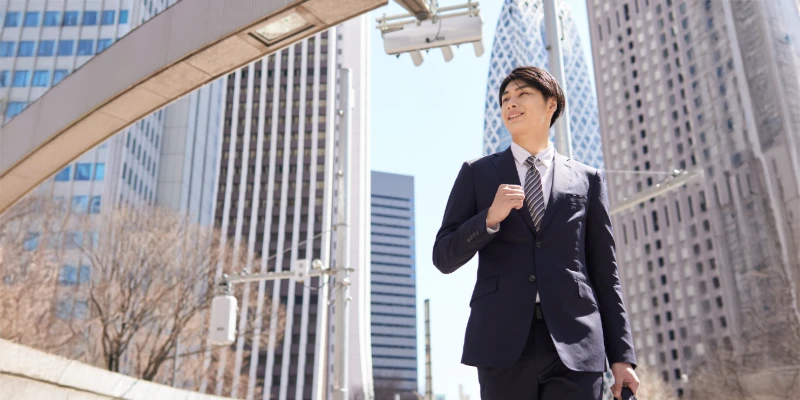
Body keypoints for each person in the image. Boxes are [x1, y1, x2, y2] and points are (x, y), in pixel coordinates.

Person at [432, 66, 639, 399]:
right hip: (502, 342)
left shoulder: (587, 179)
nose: (511, 103)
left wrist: (622, 357)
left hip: (577, 341)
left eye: (522, 94)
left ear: (551, 105)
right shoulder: (477, 173)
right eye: (505, 98)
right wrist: (489, 219)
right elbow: (443, 256)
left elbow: (605, 274)